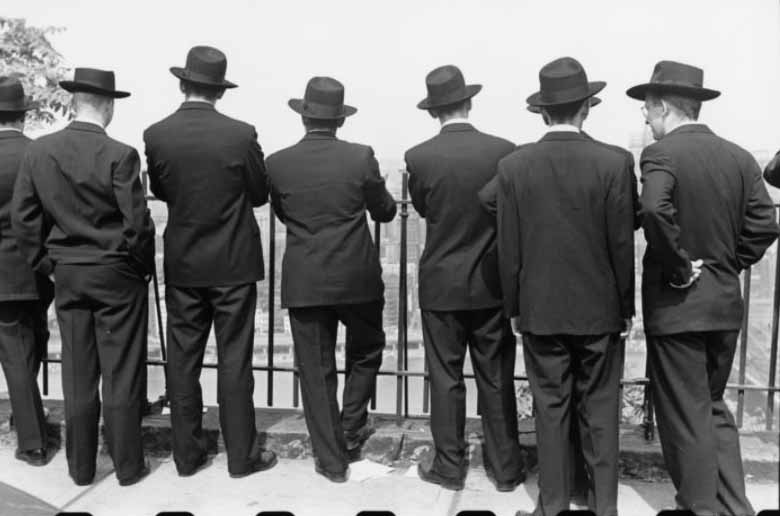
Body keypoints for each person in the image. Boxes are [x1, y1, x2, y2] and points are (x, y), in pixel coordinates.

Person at [626, 60, 779, 516]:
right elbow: (765, 225)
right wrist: (728, 264)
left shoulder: (660, 155)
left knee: (683, 413)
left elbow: (653, 209)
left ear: (664, 108)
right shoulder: (739, 157)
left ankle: (698, 508)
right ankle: (735, 505)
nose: (644, 119)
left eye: (647, 110)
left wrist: (677, 267)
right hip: (724, 304)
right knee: (713, 406)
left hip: (678, 308)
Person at [492, 57, 635, 516]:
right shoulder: (614, 162)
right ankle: (604, 506)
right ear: (586, 109)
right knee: (601, 409)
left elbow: (508, 249)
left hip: (539, 308)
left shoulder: (514, 166)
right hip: (599, 309)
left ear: (542, 112)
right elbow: (621, 243)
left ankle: (552, 504)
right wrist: (626, 307)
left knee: (549, 409)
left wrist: (514, 306)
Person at [12, 68, 155, 486]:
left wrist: (48, 264)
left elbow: (24, 218)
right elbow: (137, 223)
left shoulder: (39, 152)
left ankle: (80, 467)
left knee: (77, 373)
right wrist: (140, 265)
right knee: (122, 373)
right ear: (108, 106)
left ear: (74, 103)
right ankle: (128, 467)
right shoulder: (121, 154)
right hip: (116, 274)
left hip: (68, 274)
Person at [143, 45, 276, 478]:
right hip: (234, 261)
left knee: (183, 360)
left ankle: (186, 455)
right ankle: (242, 456)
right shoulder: (241, 134)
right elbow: (259, 193)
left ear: (183, 84)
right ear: (220, 91)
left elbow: (162, 191)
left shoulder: (157, 134)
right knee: (235, 359)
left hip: (184, 261)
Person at [266, 76, 396, 482]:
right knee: (367, 348)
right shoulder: (360, 157)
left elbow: (283, 213)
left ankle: (331, 459)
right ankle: (351, 426)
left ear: (304, 117)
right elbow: (385, 211)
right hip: (356, 275)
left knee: (314, 367)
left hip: (305, 277)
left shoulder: (277, 162)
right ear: (340, 120)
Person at [405, 64, 524, 492]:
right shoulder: (503, 151)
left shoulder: (419, 157)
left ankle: (449, 466)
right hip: (491, 284)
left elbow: (423, 207)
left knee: (446, 377)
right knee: (496, 377)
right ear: (469, 102)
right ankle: (506, 468)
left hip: (442, 285)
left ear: (433, 111)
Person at [0, 77, 53, 467]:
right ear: (22, 114)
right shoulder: (39, 154)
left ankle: (28, 429)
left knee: (18, 351)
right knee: (28, 344)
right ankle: (32, 435)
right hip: (36, 268)